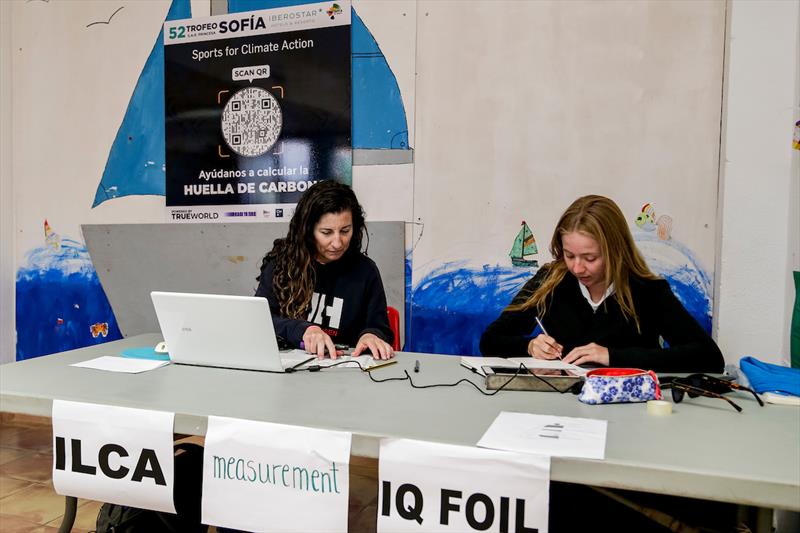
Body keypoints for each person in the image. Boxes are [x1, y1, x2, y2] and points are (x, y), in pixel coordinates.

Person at [480, 195, 723, 372]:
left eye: (590, 258)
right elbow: (491, 339)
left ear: (616, 251)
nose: (577, 268)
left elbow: (709, 358)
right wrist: (530, 346)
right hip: (561, 413)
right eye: (569, 255)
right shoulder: (550, 280)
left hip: (629, 417)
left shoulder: (648, 291)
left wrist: (611, 356)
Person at [255, 180, 394, 360]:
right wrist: (303, 330)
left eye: (345, 230)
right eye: (326, 233)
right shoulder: (281, 264)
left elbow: (379, 326)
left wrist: (371, 335)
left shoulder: (365, 271)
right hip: (288, 367)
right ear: (307, 231)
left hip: (345, 370)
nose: (337, 243)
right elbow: (260, 320)